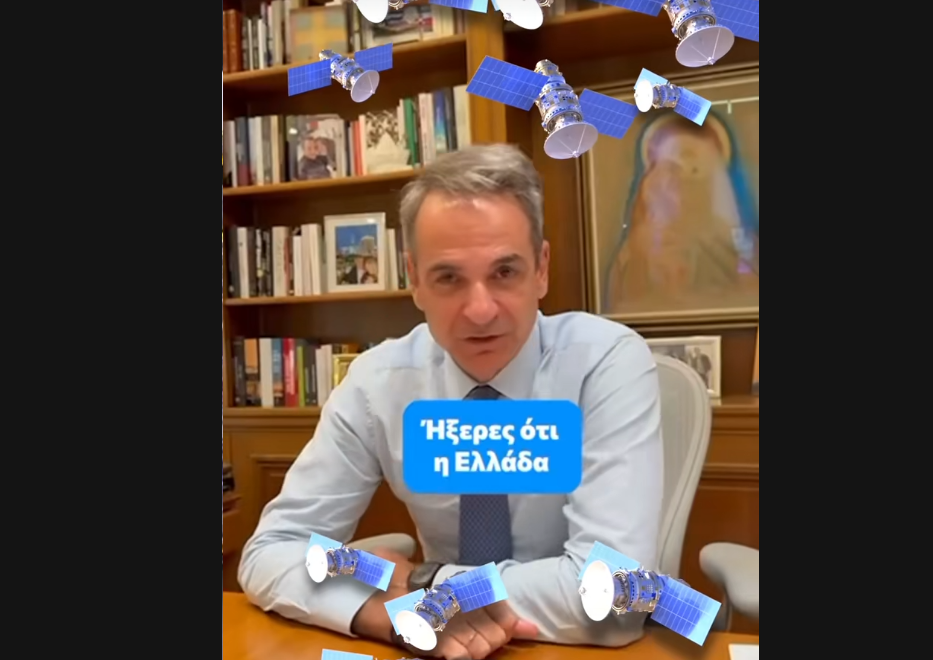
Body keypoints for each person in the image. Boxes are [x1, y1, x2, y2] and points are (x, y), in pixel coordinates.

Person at [239, 144, 664, 658]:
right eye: (448, 278)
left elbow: (615, 597)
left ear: (541, 269)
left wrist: (427, 582)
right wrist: (383, 615)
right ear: (415, 280)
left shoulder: (605, 361)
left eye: (504, 272)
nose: (480, 310)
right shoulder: (377, 383)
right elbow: (272, 551)